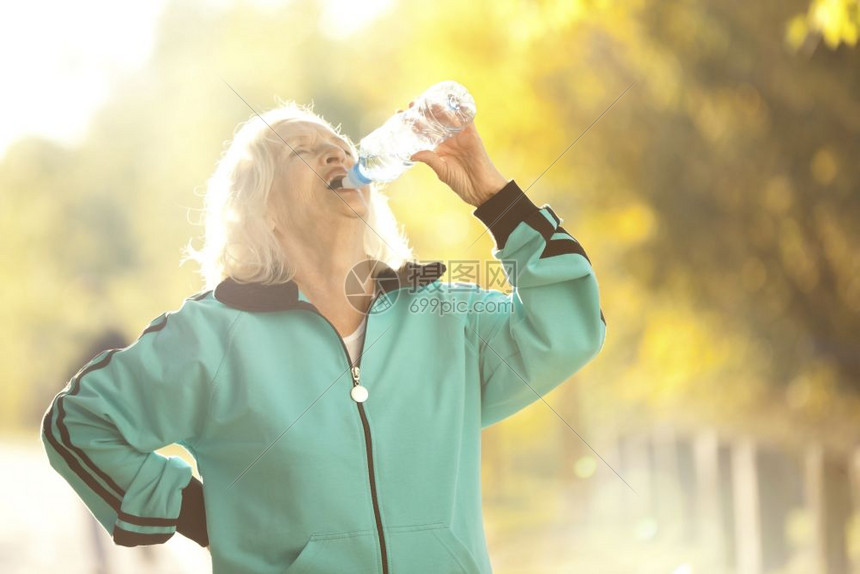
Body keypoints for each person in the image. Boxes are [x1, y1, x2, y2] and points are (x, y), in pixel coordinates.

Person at [41, 98, 607, 573]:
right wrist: (201, 514)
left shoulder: (444, 315)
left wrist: (491, 191)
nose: (338, 151)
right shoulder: (210, 337)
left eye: (339, 143)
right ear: (262, 208)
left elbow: (571, 326)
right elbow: (79, 424)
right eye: (302, 150)